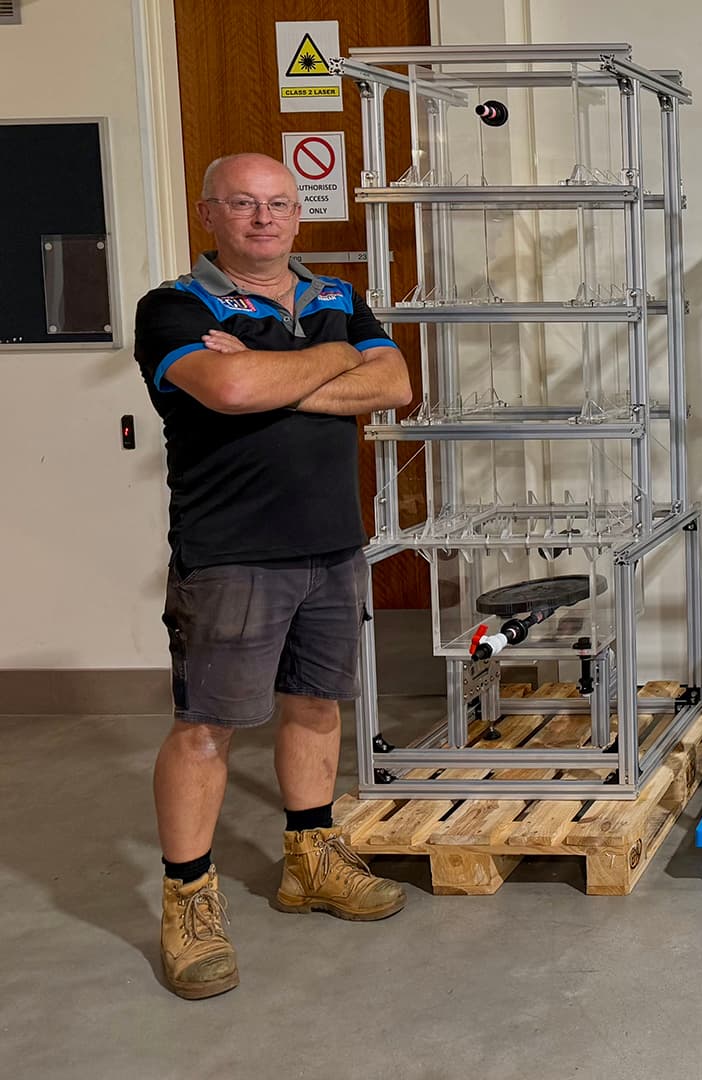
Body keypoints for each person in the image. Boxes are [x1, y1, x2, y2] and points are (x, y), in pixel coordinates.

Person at [133, 153, 415, 1000]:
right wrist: (333, 364)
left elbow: (396, 383)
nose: (265, 219)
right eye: (244, 205)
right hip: (231, 551)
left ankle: (312, 858)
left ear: (299, 213)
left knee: (317, 705)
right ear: (209, 213)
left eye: (280, 204)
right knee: (208, 726)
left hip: (331, 543)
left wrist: (277, 379)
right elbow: (225, 386)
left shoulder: (335, 295)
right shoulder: (172, 307)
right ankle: (187, 897)